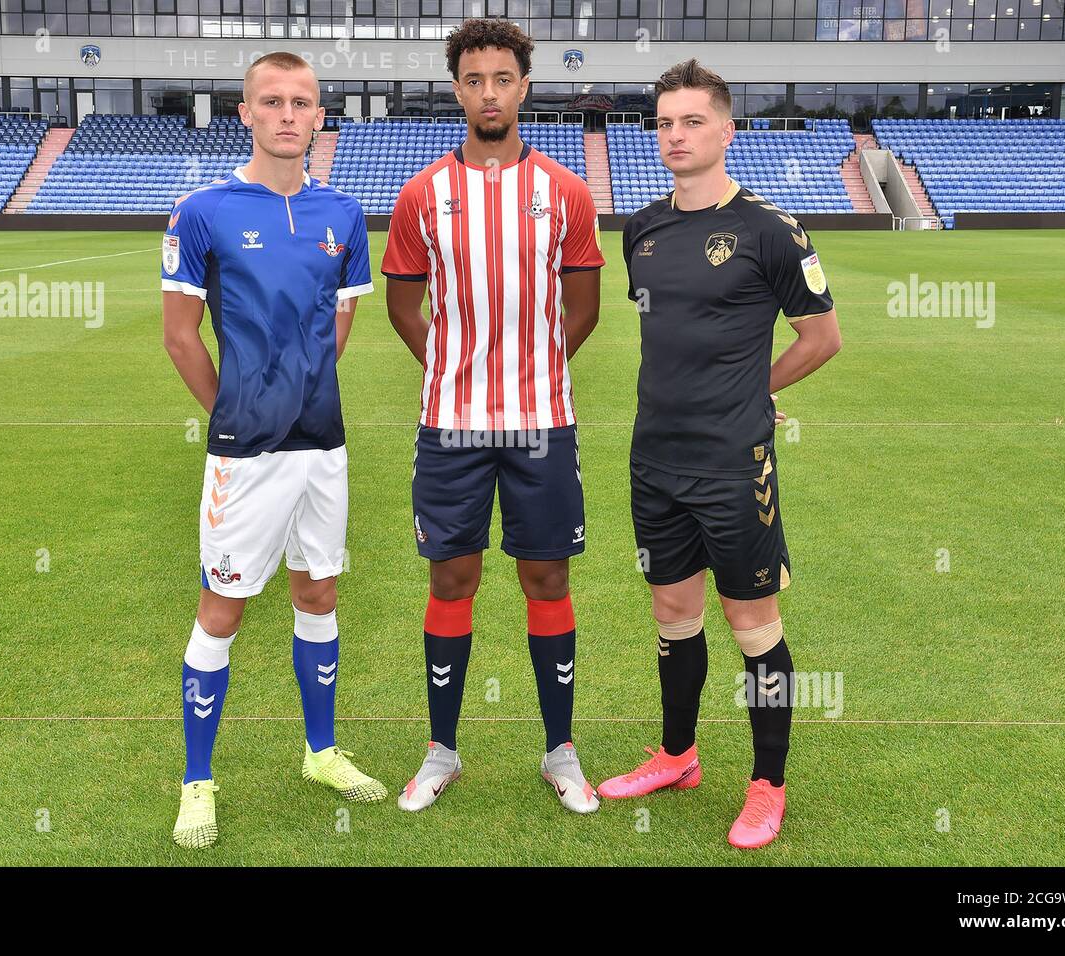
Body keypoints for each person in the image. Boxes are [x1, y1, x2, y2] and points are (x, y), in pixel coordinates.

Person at [598, 59, 842, 850]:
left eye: (691, 121)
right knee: (673, 616)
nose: (674, 135)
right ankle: (677, 755)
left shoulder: (773, 231)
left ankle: (768, 785)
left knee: (751, 621)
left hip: (735, 462)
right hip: (654, 458)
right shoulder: (641, 228)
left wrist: (755, 389)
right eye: (664, 122)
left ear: (726, 129)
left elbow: (822, 338)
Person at [161, 51, 384, 849]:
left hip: (323, 447)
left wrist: (300, 396)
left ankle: (320, 753)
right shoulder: (203, 211)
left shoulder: (344, 216)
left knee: (319, 595)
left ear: (320, 116)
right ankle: (197, 781)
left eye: (304, 102)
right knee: (222, 610)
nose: (290, 114)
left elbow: (341, 326)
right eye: (273, 101)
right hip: (244, 456)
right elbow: (180, 337)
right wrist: (237, 407)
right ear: (246, 112)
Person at [382, 18, 605, 814]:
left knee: (546, 574)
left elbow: (584, 307)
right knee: (453, 574)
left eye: (502, 78)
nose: (488, 92)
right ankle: (442, 750)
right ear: (457, 89)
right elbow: (401, 304)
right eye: (474, 79)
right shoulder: (423, 194)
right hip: (452, 422)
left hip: (541, 417)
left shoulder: (564, 192)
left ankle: (561, 753)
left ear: (523, 86)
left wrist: (534, 371)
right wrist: (451, 367)